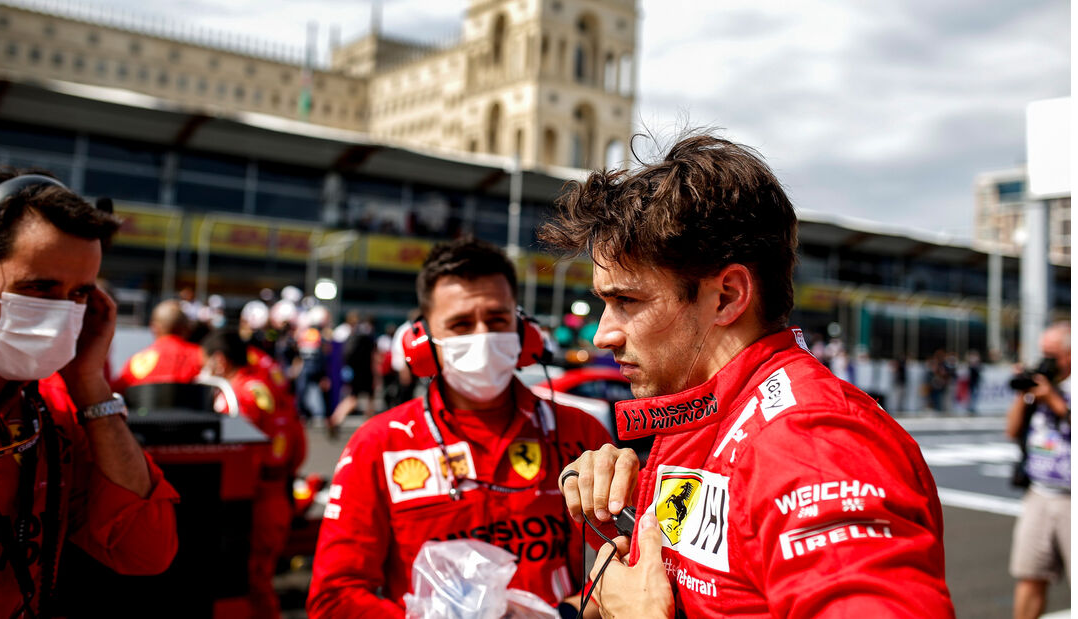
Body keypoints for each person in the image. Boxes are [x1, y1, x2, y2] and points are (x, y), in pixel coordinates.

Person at [539, 135, 954, 618]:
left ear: (728, 296)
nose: (603, 334)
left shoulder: (811, 441)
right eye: (604, 303)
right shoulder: (701, 414)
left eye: (627, 301)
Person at [307, 238, 613, 618]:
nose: (482, 335)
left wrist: (566, 615)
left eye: (497, 320)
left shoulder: (578, 432)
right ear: (422, 344)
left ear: (524, 334)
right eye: (461, 324)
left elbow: (622, 563)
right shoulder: (379, 443)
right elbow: (335, 596)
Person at [0, 167, 179, 618]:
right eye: (39, 288)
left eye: (79, 294)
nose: (59, 313)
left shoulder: (53, 410)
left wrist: (91, 385)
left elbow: (146, 550)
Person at [201, 328, 307, 619]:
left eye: (206, 361)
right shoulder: (264, 387)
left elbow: (234, 458)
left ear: (219, 361)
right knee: (258, 582)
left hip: (250, 504)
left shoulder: (233, 397)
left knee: (247, 586)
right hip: (276, 496)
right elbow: (297, 440)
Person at [1005, 322, 1070, 619]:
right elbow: (1012, 430)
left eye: (1052, 354)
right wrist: (1024, 393)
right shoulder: (1038, 386)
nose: (1046, 361)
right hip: (1039, 493)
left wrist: (1056, 402)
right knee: (1030, 574)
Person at [110, 299, 203, 393]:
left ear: (154, 328)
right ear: (186, 329)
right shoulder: (201, 357)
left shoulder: (136, 362)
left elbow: (114, 393)